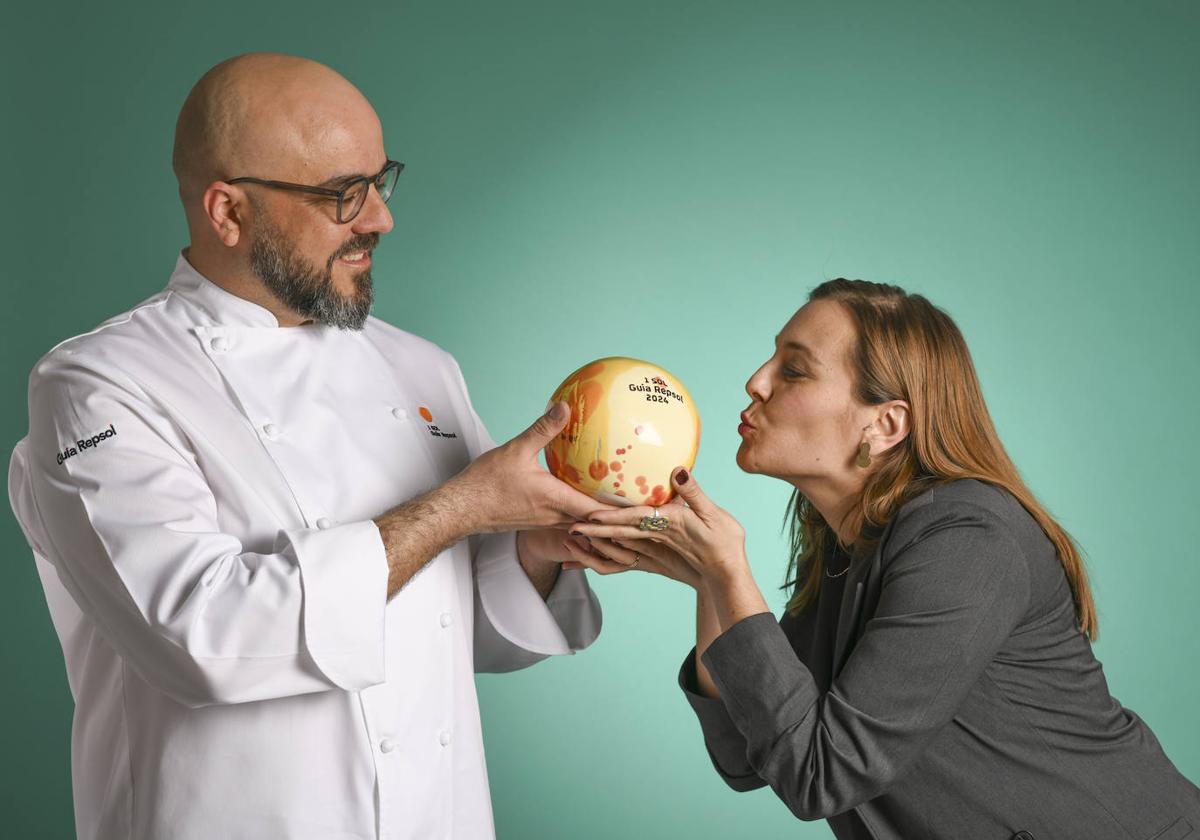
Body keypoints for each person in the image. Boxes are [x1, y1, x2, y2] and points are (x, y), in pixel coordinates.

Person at [6, 52, 608, 840]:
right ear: (228, 212)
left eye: (379, 181)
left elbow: (460, 629)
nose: (380, 219)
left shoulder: (421, 366)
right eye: (341, 195)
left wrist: (540, 545)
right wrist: (461, 505)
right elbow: (201, 640)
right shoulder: (99, 384)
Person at [565, 279, 1200, 839]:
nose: (755, 382)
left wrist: (727, 573)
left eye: (794, 369)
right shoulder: (849, 549)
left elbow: (825, 774)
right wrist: (709, 584)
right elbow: (744, 755)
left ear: (887, 425)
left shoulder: (968, 542)